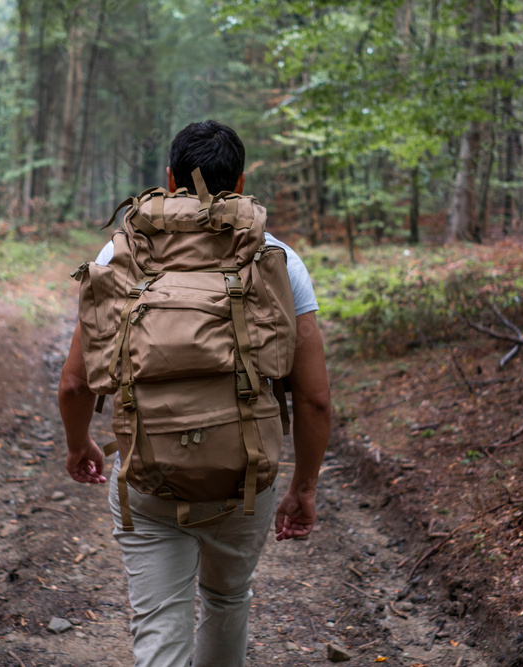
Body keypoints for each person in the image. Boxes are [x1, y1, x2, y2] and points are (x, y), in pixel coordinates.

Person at [58, 120, 331, 667]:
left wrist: (79, 444)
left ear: (170, 178)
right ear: (242, 179)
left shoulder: (122, 254)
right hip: (243, 477)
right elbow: (315, 398)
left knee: (161, 623)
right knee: (227, 599)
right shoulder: (278, 259)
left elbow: (73, 382)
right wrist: (303, 486)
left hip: (147, 473)